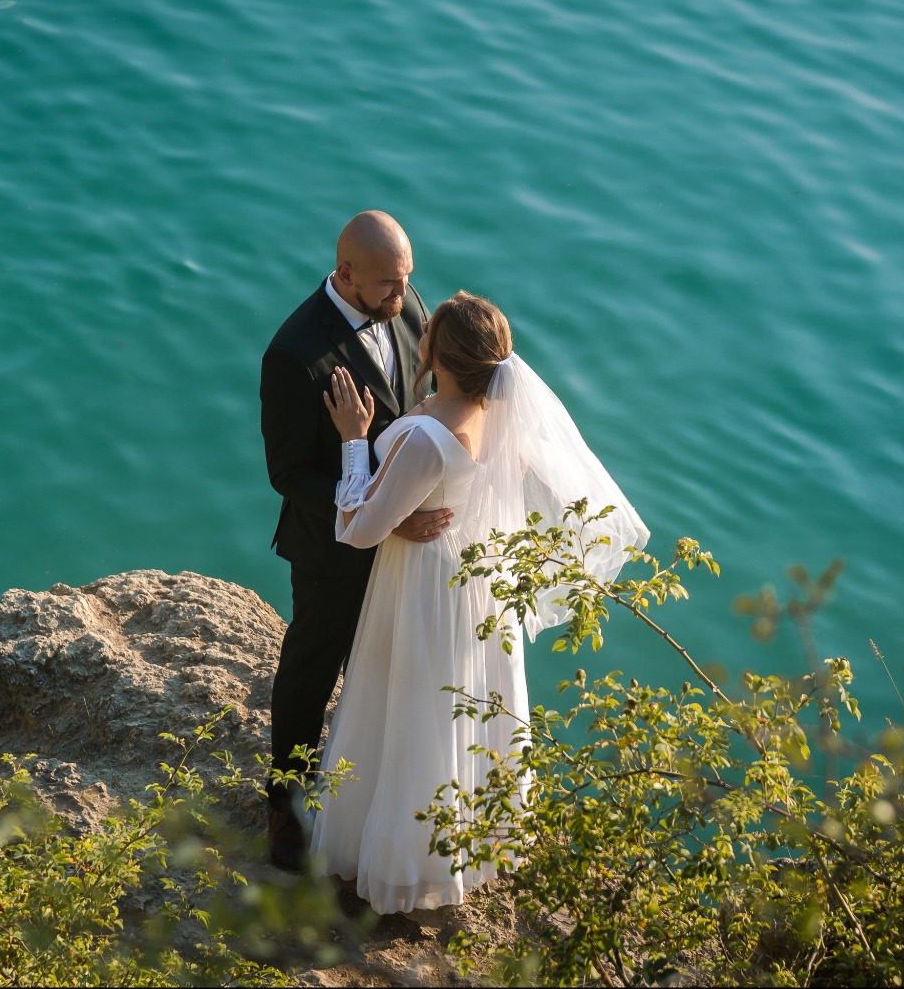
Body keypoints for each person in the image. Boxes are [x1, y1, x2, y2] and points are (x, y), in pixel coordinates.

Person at [309, 291, 650, 913]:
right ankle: (456, 852)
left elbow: (357, 529)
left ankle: (393, 865)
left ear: (435, 351)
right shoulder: (499, 417)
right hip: (479, 584)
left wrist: (355, 439)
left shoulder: (425, 438)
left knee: (408, 713)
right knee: (456, 716)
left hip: (423, 585)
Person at [259, 211, 449, 870]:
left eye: (406, 282)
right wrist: (378, 515)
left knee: (387, 671)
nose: (403, 300)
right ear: (344, 274)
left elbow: (424, 394)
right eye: (388, 288)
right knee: (312, 671)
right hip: (330, 549)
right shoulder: (294, 352)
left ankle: (369, 802)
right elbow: (286, 472)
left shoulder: (408, 299)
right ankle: (284, 806)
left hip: (404, 544)